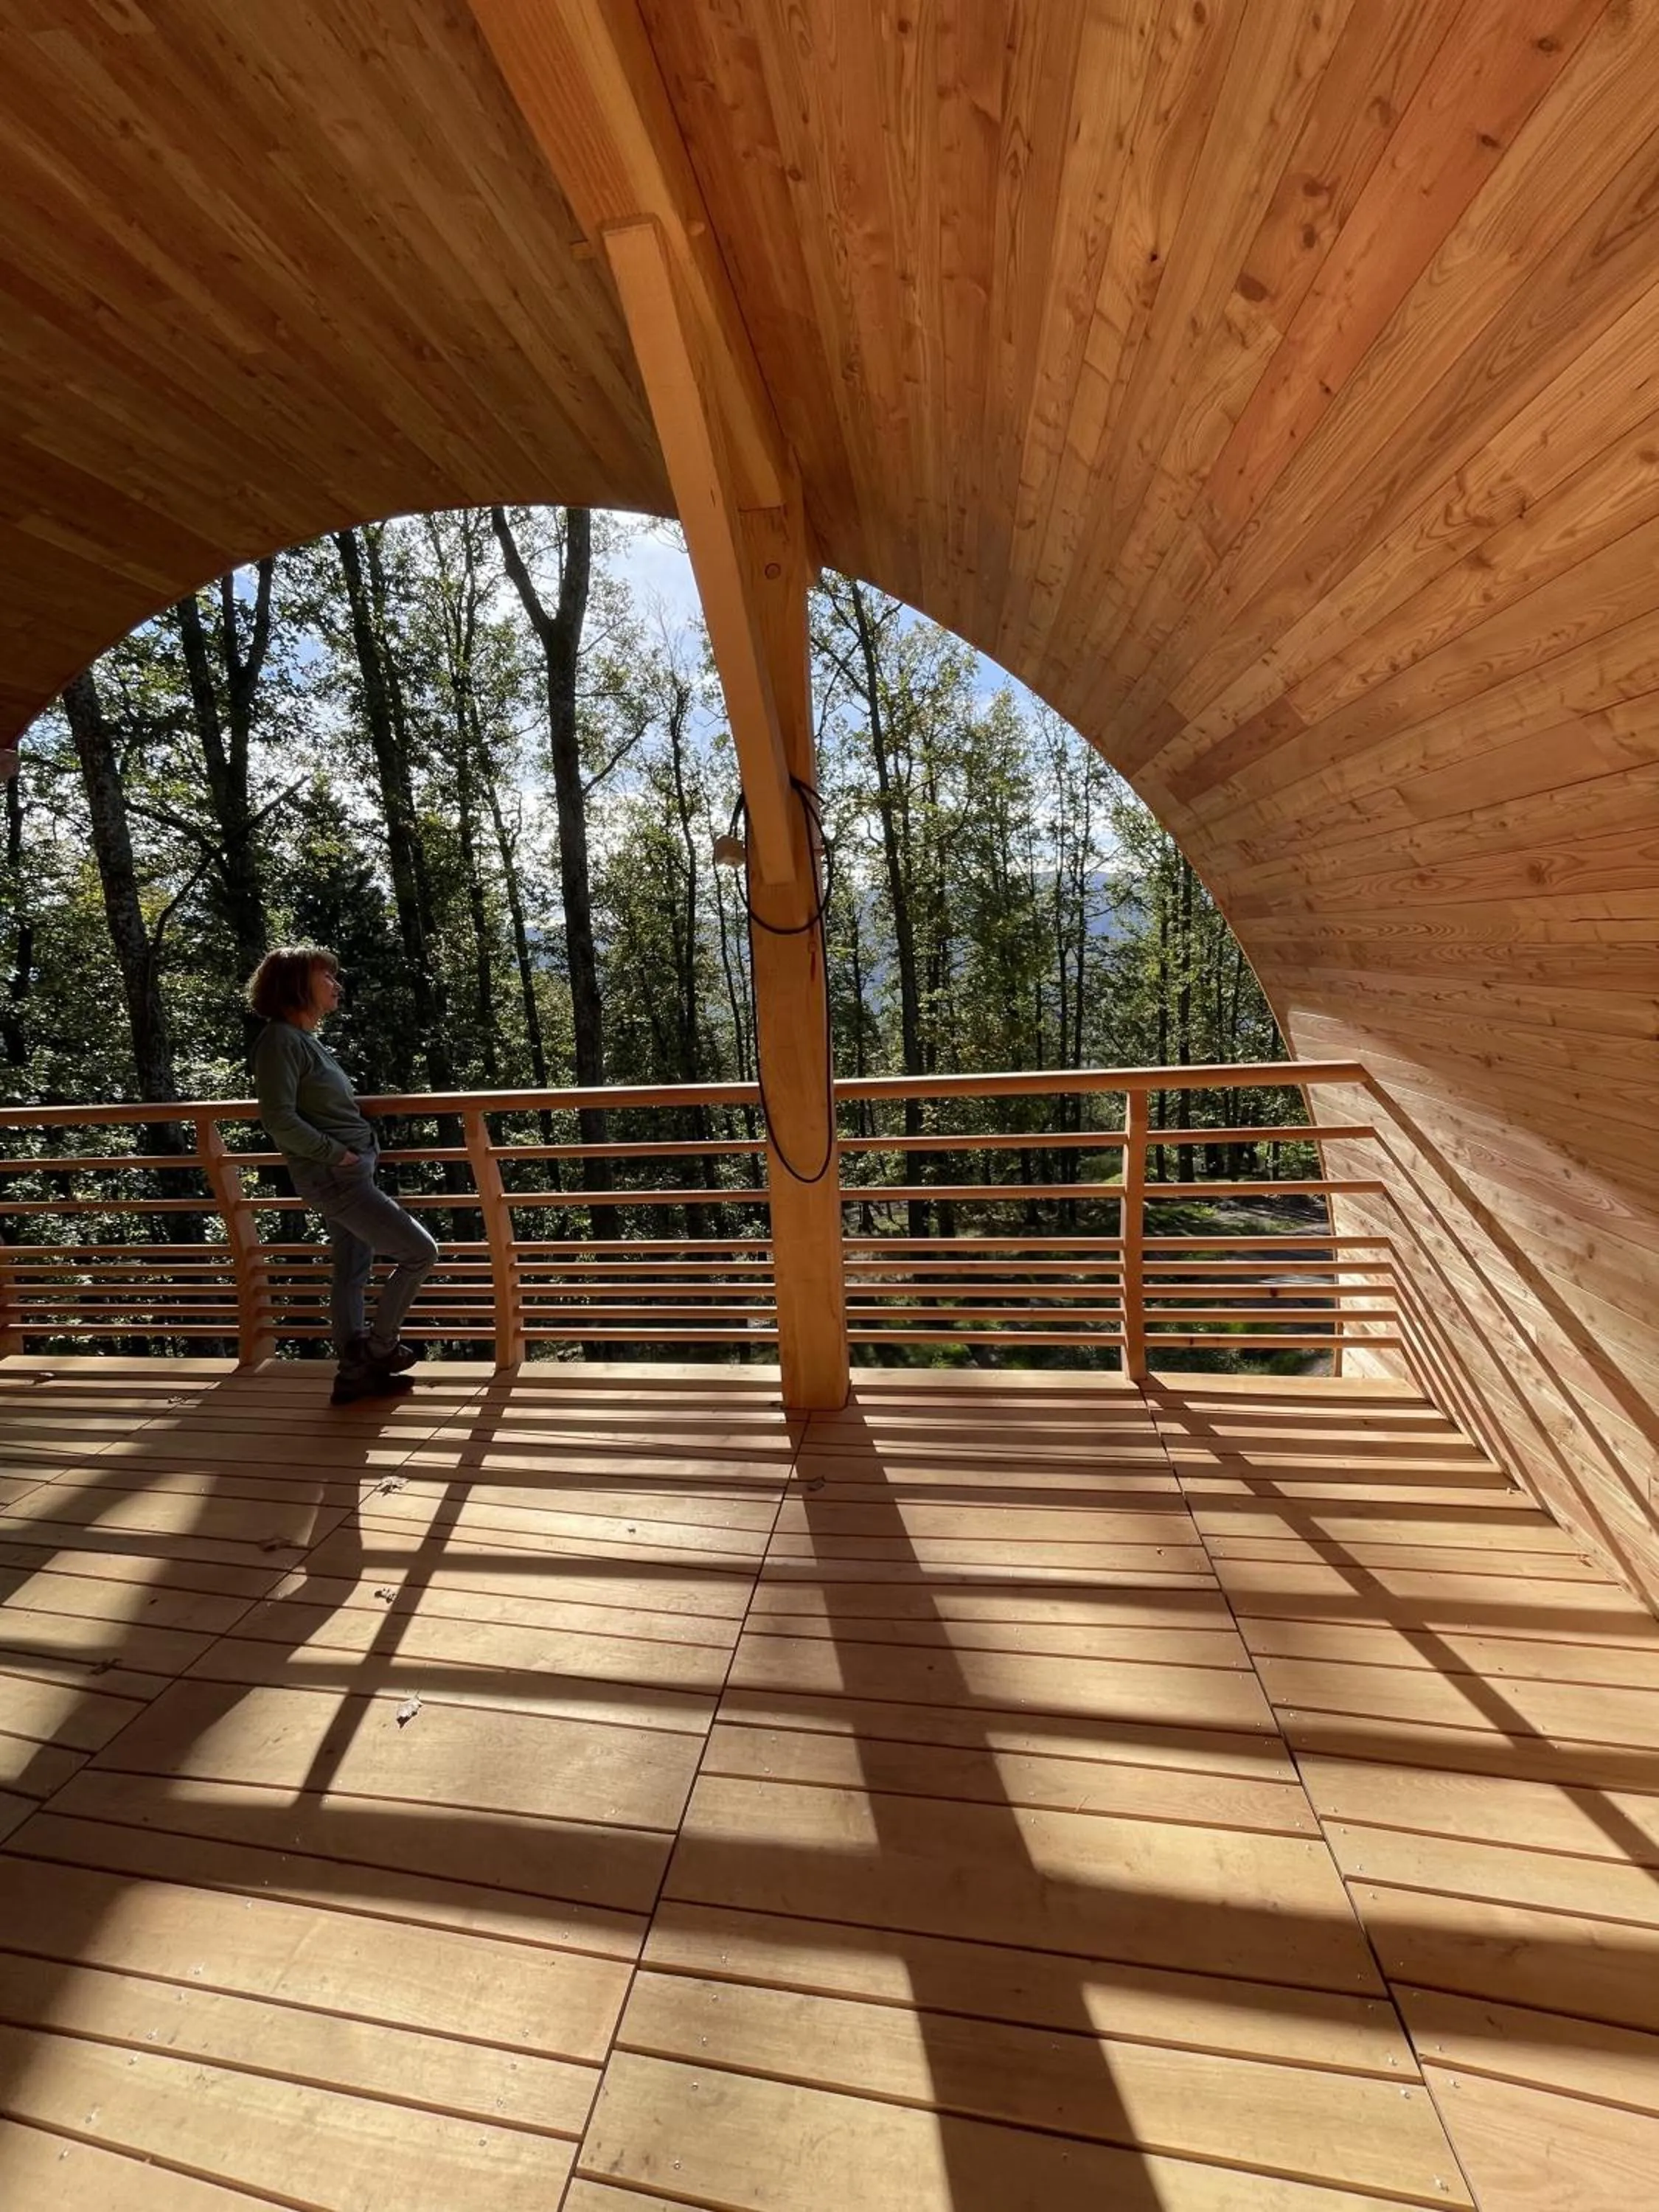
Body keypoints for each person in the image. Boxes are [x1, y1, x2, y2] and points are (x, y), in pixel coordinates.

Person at [247, 945, 439, 1405]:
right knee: (420, 1252)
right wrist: (337, 1154)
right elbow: (279, 1119)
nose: (336, 985)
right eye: (327, 977)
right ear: (297, 985)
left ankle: (354, 1376)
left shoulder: (302, 1039)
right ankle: (381, 1349)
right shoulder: (279, 1042)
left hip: (344, 1176)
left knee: (352, 1269)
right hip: (336, 1178)